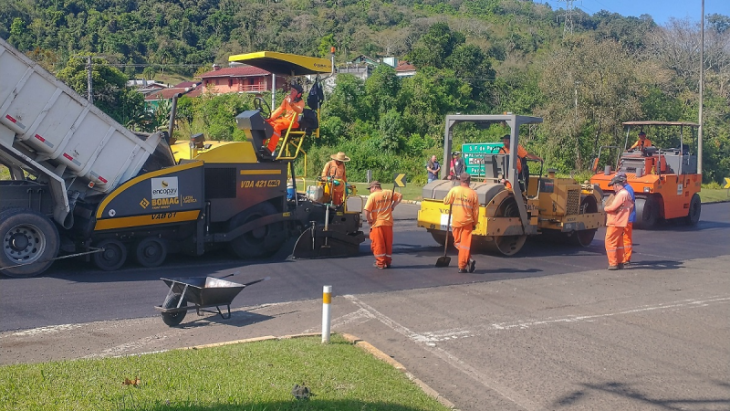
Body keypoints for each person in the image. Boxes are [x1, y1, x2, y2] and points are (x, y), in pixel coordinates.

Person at [443, 173, 479, 273]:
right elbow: (476, 211)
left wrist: (448, 200)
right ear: (469, 181)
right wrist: (475, 222)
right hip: (468, 222)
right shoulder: (473, 194)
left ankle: (462, 266)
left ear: (460, 180)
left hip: (456, 222)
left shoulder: (454, 190)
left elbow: (446, 201)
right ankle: (468, 259)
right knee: (464, 245)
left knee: (458, 243)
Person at [364, 180, 402, 269]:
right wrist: (393, 206)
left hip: (378, 224)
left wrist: (369, 220)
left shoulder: (372, 196)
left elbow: (366, 211)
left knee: (378, 244)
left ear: (374, 187)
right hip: (388, 223)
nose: (370, 190)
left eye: (370, 188)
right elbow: (400, 196)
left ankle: (380, 263)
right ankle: (387, 261)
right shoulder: (389, 192)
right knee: (388, 243)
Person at [262, 83, 305, 156]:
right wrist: (270, 118)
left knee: (277, 127)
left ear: (298, 94)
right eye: (291, 90)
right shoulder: (287, 98)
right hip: (284, 120)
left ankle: (270, 150)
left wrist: (291, 104)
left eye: (294, 91)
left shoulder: (301, 102)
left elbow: (299, 110)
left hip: (293, 122)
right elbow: (281, 109)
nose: (291, 91)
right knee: (267, 124)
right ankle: (260, 145)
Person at [603, 175, 634, 270]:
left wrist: (605, 208)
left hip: (615, 222)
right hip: (621, 222)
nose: (613, 188)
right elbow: (631, 206)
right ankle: (620, 261)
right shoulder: (627, 194)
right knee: (619, 243)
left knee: (610, 242)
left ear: (617, 185)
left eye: (613, 186)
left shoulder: (621, 194)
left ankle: (613, 263)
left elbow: (612, 207)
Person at [616, 172, 636, 265]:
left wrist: (627, 216)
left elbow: (631, 204)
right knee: (622, 237)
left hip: (627, 218)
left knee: (626, 238)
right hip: (624, 218)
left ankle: (627, 258)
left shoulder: (628, 189)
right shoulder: (625, 189)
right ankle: (623, 257)